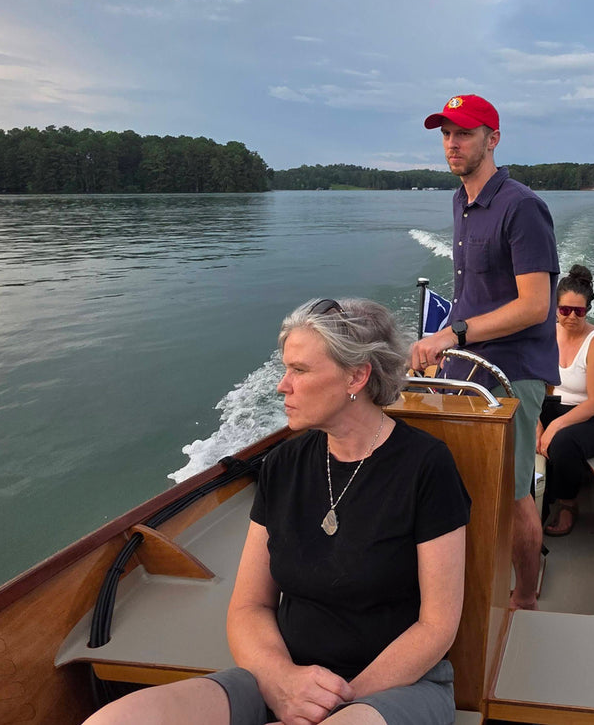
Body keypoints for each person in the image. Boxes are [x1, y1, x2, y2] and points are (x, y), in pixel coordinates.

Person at [85, 298, 470, 725]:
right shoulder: (283, 465)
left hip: (397, 687)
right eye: (285, 369)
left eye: (300, 370)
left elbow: (436, 626)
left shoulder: (425, 466)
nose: (281, 386)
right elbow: (249, 606)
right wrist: (282, 680)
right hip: (284, 678)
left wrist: (332, 704)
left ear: (357, 376)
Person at [409, 94, 558, 612]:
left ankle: (525, 595)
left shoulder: (521, 206)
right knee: (458, 472)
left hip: (513, 369)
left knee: (513, 488)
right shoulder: (461, 201)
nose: (452, 143)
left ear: (492, 139)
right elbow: (472, 293)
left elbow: (536, 306)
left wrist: (453, 335)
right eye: (446, 133)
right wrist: (437, 343)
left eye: (465, 133)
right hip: (466, 364)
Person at [537, 265, 594, 537]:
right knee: (518, 426)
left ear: (588, 310)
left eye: (579, 311)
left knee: (563, 443)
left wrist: (552, 428)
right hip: (556, 407)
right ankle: (529, 497)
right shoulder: (546, 335)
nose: (571, 317)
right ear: (555, 308)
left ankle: (567, 505)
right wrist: (536, 423)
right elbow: (537, 386)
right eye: (565, 310)